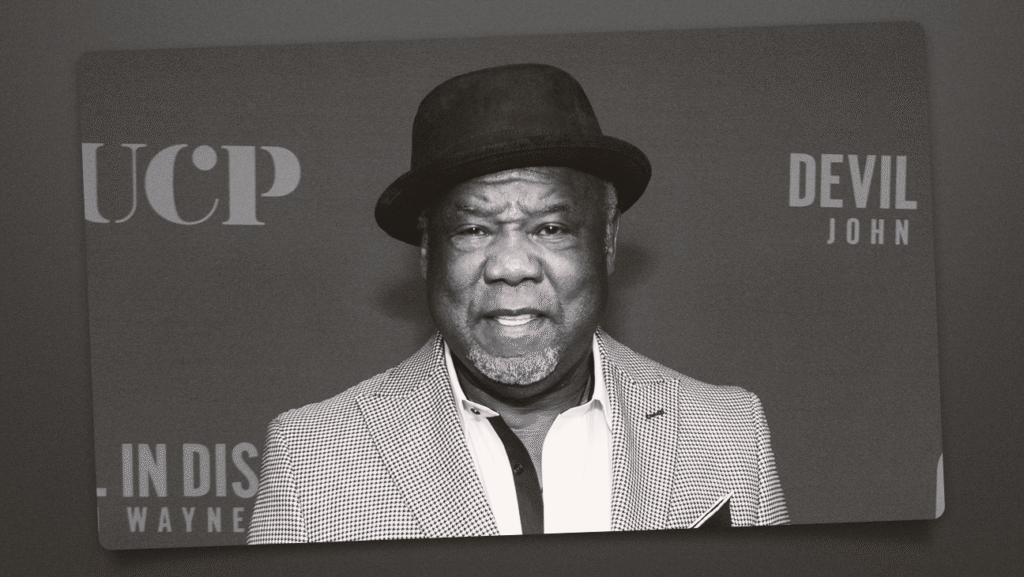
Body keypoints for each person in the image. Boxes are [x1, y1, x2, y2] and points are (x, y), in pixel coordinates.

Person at [248, 63, 788, 543]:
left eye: (550, 227)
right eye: (473, 229)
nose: (510, 266)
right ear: (428, 252)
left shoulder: (726, 431)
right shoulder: (312, 455)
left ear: (606, 242)